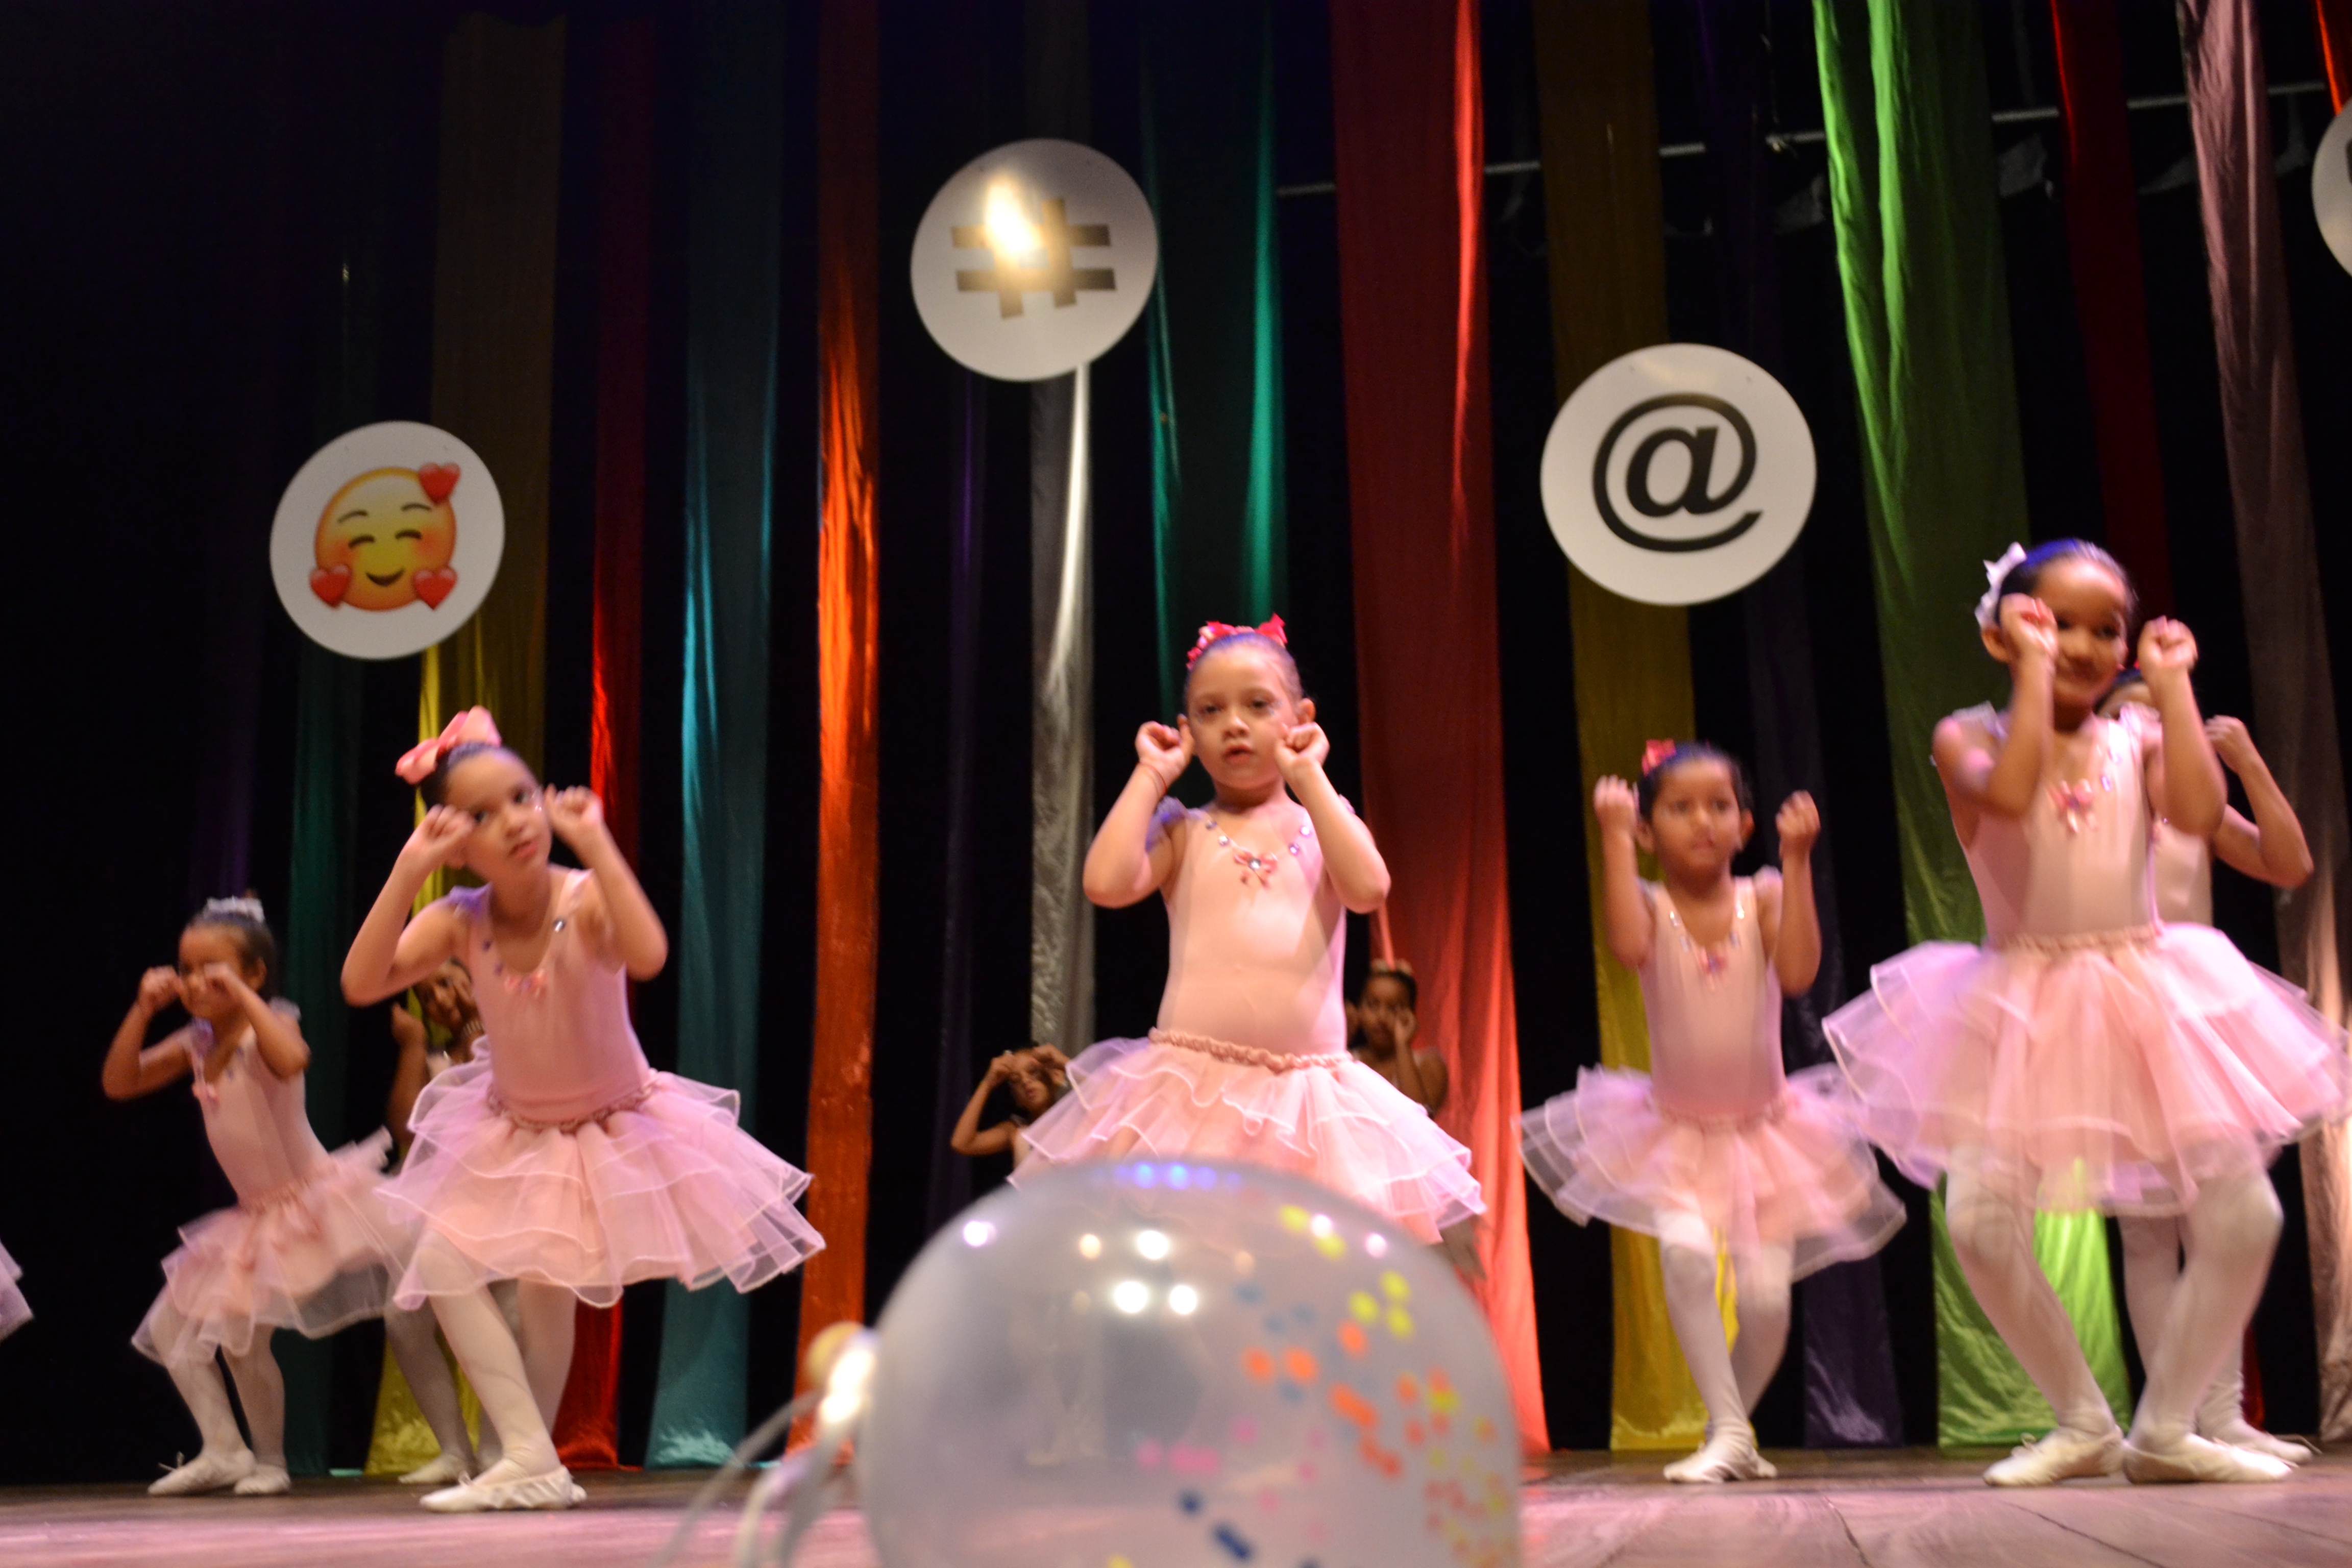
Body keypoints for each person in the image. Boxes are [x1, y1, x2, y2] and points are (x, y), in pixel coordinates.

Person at [1826, 541, 2350, 1486]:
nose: (2081, 642)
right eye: (2052, 622)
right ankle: (2080, 1418)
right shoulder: (1965, 735)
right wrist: (2031, 675)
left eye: (2103, 626)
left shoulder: (2136, 736)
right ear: (1999, 635)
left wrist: (2175, 688)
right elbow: (2016, 790)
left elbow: (2194, 809)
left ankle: (2165, 1428)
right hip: (2018, 997)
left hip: (2149, 987)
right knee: (1982, 1226)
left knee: (2241, 1214)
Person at [342, 708, 823, 1512]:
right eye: (486, 817)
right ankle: (528, 1454)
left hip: (611, 1121)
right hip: (516, 1126)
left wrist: (598, 842)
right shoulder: (460, 917)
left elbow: (648, 954)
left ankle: (526, 1455)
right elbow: (363, 982)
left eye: (523, 798)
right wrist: (405, 873)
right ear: (456, 846)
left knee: (543, 1291)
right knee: (450, 1263)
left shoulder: (586, 896)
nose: (518, 823)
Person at [1013, 619, 1485, 1269]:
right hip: (1191, 1094)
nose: (1235, 724)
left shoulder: (1323, 820)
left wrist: (1312, 779)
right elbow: (1105, 881)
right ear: (1188, 731)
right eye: (1211, 711)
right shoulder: (1183, 829)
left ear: (1301, 717)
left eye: (1258, 705)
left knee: (1297, 1278)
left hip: (1308, 1105)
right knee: (1201, 1273)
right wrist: (1152, 776)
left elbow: (1369, 888)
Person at [1523, 744, 1902, 1483]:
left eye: (1719, 807)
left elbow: (1797, 974)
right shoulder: (1650, 904)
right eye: (1679, 808)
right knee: (1688, 1257)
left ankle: (1727, 1425)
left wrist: (1796, 862)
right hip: (1673, 1134)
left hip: (1770, 1132)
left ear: (1746, 824)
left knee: (1767, 1306)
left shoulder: (1760, 894)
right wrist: (1608, 833)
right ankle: (1731, 1429)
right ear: (1647, 829)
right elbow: (1628, 944)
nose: (1702, 821)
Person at [104, 896, 398, 1498]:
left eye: (211, 969)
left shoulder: (271, 1024)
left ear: (255, 975)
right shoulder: (196, 1040)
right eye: (185, 969)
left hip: (312, 1200)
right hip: (253, 1216)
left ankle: (270, 1461)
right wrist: (141, 1009)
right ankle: (225, 1448)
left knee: (243, 1337)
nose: (193, 981)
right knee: (170, 1329)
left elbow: (293, 1061)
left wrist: (243, 999)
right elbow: (120, 1081)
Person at [2099, 673, 2317, 1464]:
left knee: (2219, 1222)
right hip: (2117, 1020)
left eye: (2163, 718)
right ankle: (2173, 1421)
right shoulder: (2088, 809)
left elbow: (2289, 864)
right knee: (2150, 1235)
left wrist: (2249, 764)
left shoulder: (2193, 813)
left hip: (2200, 1022)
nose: (2150, 733)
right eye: (2131, 719)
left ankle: (2219, 1418)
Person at [949, 1045, 1071, 1168]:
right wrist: (987, 1083)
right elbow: (961, 1143)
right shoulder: (1016, 1131)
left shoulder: (1078, 1118)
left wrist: (1064, 1062)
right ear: (1016, 1098)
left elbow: (1092, 1093)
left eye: (1033, 1072)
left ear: (1056, 1075)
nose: (1025, 1081)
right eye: (1015, 1080)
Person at [1351, 964, 1447, 1115]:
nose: (1382, 1017)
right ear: (1360, 1011)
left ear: (1411, 1015)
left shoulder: (1428, 1064)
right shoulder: (1346, 1061)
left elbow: (1419, 1121)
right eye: (1373, 1005)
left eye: (1393, 1008)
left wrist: (1403, 1045)